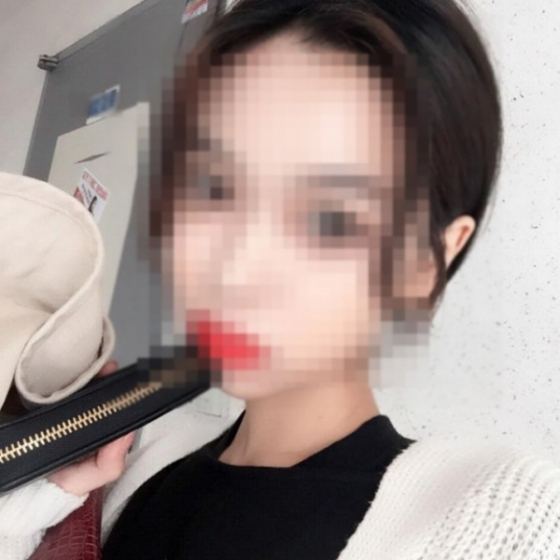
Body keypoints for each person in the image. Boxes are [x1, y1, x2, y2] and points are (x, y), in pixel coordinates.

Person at [2, 0, 560, 558]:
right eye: (214, 187)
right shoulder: (125, 469)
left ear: (426, 262)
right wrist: (36, 499)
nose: (238, 263)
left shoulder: (505, 522)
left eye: (329, 218)